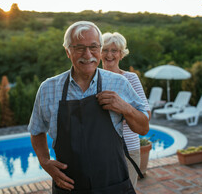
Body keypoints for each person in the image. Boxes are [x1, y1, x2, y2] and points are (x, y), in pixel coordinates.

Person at [28, 21, 149, 193]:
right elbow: (36, 130)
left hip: (114, 185)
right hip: (69, 187)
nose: (88, 54)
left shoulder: (119, 83)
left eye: (93, 47)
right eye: (79, 48)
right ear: (67, 51)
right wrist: (44, 161)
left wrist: (126, 108)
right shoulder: (48, 88)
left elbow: (143, 128)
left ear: (99, 49)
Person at [101, 32, 151, 188]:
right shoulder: (93, 79)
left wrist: (123, 108)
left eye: (114, 50)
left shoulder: (131, 78)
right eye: (105, 50)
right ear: (99, 53)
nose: (109, 54)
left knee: (126, 190)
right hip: (100, 149)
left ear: (121, 54)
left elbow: (146, 115)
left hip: (128, 148)